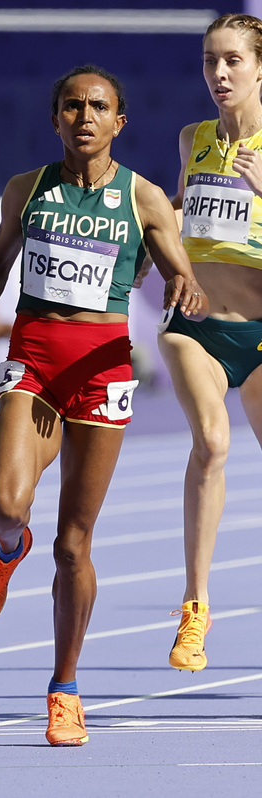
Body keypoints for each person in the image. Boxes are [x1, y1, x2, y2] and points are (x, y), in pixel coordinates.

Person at [0, 65, 206, 746]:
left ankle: (64, 688)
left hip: (100, 370)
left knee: (73, 545)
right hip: (33, 360)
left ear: (119, 123)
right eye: (72, 105)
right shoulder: (26, 189)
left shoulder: (143, 197)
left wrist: (187, 287)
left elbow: (178, 268)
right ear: (56, 118)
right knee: (8, 505)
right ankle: (8, 550)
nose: (84, 116)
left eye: (98, 106)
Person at [159, 13, 262, 673]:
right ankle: (195, 609)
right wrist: (156, 229)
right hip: (196, 326)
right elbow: (181, 207)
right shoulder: (193, 138)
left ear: (260, 68)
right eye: (208, 61)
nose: (218, 74)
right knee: (213, 444)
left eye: (231, 61)